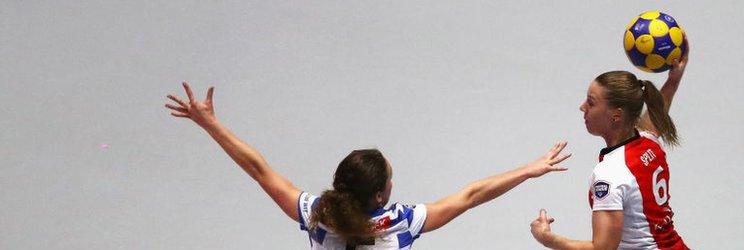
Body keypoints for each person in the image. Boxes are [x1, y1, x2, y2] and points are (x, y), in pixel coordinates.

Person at [164, 82, 572, 249]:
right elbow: (471, 195)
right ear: (380, 195)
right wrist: (528, 169)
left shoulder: (317, 215)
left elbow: (257, 168)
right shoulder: (401, 222)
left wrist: (210, 123)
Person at [529, 39, 690, 249]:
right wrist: (674, 79)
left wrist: (546, 238)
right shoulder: (648, 141)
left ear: (616, 116)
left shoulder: (611, 173)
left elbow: (603, 247)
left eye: (591, 102)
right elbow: (659, 110)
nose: (582, 107)